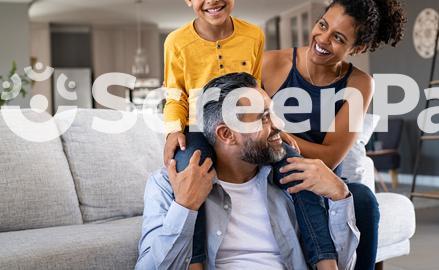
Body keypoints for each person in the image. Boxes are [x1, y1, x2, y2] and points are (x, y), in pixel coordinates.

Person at [162, 0, 341, 269]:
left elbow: (255, 88)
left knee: (294, 163)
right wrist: (174, 130)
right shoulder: (176, 42)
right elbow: (175, 93)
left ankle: (324, 259)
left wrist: (273, 125)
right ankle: (196, 262)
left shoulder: (253, 35)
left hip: (245, 125)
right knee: (192, 172)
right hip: (200, 127)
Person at [136, 72, 360, 270]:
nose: (279, 125)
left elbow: (343, 265)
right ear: (226, 134)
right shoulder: (168, 185)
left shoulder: (294, 179)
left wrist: (340, 194)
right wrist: (185, 208)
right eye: (263, 118)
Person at [262, 0, 407, 270]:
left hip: (327, 176)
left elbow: (330, 157)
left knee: (364, 198)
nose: (322, 39)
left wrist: (280, 134)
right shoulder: (271, 63)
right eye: (323, 25)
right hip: (276, 171)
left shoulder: (359, 83)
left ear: (358, 48)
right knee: (293, 167)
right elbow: (251, 125)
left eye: (338, 38)